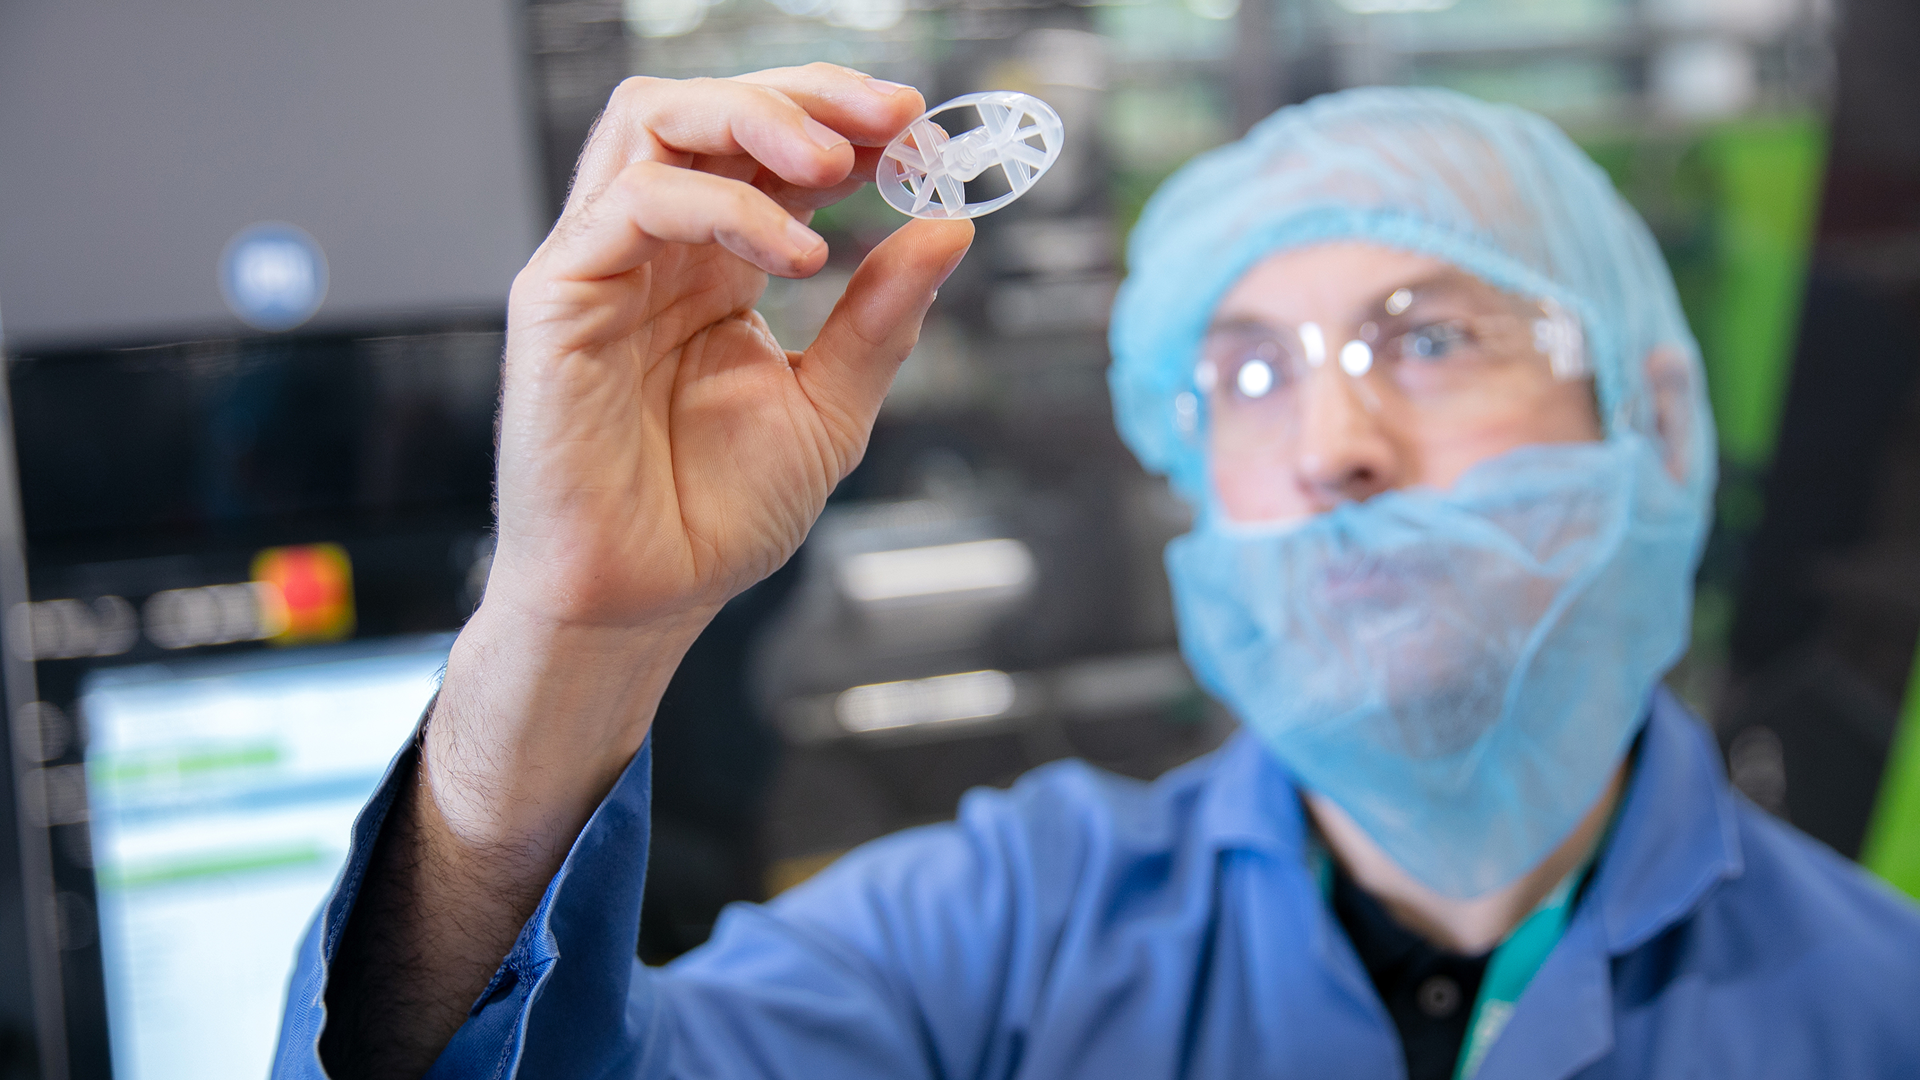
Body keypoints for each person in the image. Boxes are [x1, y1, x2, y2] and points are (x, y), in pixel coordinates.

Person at [274, 67, 1920, 1079]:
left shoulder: (1879, 1015)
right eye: (1251, 370)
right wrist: (571, 631)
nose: (1331, 442)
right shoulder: (987, 948)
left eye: (1428, 334)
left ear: (1650, 411)